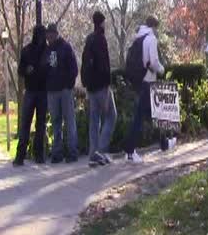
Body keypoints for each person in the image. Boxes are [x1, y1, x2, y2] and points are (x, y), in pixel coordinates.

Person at [123, 16, 164, 164]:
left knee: (152, 114)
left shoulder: (139, 37)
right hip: (148, 81)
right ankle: (130, 151)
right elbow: (153, 62)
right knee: (140, 117)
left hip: (140, 81)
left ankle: (165, 143)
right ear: (154, 26)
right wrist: (162, 69)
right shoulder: (151, 38)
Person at [81, 11, 117, 167]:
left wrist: (86, 83)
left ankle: (92, 154)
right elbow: (104, 65)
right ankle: (100, 151)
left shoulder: (89, 39)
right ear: (101, 22)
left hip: (91, 86)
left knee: (94, 121)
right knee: (111, 116)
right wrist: (108, 84)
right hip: (102, 86)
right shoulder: (101, 39)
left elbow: (84, 62)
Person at [13, 25, 48, 166]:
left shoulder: (47, 51)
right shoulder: (27, 50)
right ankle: (20, 155)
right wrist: (26, 70)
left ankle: (39, 154)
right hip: (31, 90)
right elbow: (20, 69)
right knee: (25, 124)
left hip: (42, 91)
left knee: (41, 124)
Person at [44, 23, 79, 164]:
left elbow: (74, 68)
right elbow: (45, 68)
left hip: (64, 90)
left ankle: (72, 152)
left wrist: (68, 85)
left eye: (51, 34)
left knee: (69, 121)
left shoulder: (66, 47)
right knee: (56, 122)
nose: (49, 37)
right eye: (48, 35)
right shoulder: (47, 50)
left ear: (56, 34)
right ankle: (57, 153)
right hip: (52, 91)